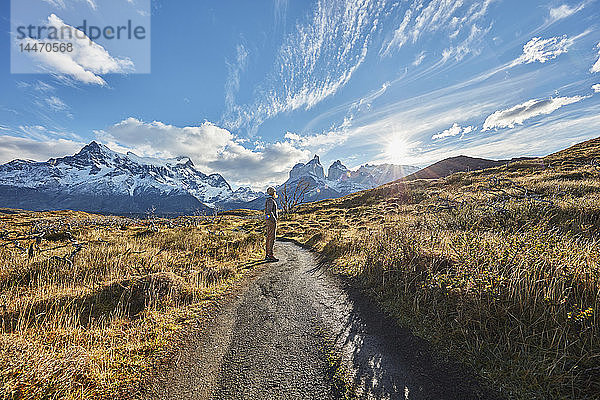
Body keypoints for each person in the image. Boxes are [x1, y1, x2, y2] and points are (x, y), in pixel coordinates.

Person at [265, 187, 279, 262]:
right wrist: (273, 219)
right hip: (271, 221)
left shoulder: (269, 200)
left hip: (269, 221)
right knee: (271, 238)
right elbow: (269, 211)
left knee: (268, 237)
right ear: (273, 193)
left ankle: (267, 254)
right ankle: (270, 255)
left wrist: (267, 219)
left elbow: (267, 213)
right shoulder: (270, 200)